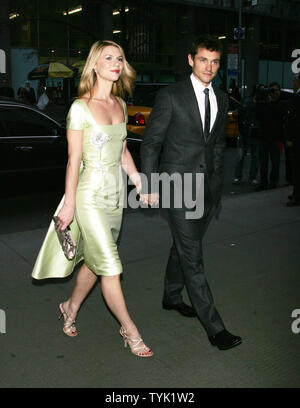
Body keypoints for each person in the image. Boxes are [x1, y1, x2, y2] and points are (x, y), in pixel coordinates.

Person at [32, 40, 153, 358]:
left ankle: (70, 306)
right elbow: (73, 160)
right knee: (111, 266)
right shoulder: (80, 108)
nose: (115, 62)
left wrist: (139, 182)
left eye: (119, 58)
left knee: (96, 262)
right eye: (108, 58)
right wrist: (69, 203)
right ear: (95, 66)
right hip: (89, 196)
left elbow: (123, 151)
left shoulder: (121, 105)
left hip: (115, 198)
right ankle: (131, 331)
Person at [140, 36, 242, 351]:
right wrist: (149, 184)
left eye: (214, 61)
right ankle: (215, 329)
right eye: (203, 60)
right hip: (176, 186)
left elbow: (217, 146)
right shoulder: (171, 96)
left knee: (183, 247)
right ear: (190, 60)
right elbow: (151, 143)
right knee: (193, 258)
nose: (209, 67)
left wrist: (216, 188)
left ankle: (171, 296)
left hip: (206, 190)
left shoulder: (222, 98)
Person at [255, 82, 285, 191]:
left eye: (276, 90)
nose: (274, 93)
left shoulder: (281, 104)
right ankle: (263, 183)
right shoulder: (264, 104)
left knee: (275, 162)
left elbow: (279, 115)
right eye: (272, 90)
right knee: (263, 162)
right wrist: (262, 100)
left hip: (276, 138)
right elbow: (258, 116)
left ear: (279, 92)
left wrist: (271, 103)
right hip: (264, 137)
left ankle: (273, 182)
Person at [233, 84, 262, 185]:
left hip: (254, 132)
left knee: (254, 156)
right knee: (241, 156)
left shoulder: (261, 103)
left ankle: (251, 177)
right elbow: (240, 114)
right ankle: (239, 176)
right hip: (245, 131)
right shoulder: (248, 102)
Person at [286, 73, 300, 207]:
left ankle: (297, 195)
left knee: (296, 168)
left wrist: (290, 138)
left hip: (297, 140)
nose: (293, 84)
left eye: (294, 81)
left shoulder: (297, 98)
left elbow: (295, 121)